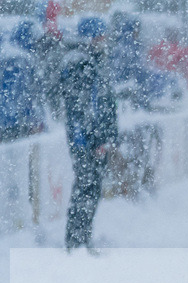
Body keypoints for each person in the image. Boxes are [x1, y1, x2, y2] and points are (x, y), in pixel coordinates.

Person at [60, 16, 118, 253]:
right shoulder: (81, 63)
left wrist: (108, 135)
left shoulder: (93, 60)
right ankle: (76, 240)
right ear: (91, 37)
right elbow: (84, 108)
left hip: (93, 139)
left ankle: (82, 238)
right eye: (100, 35)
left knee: (91, 189)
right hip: (86, 140)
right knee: (86, 188)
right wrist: (96, 140)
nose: (104, 40)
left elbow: (105, 103)